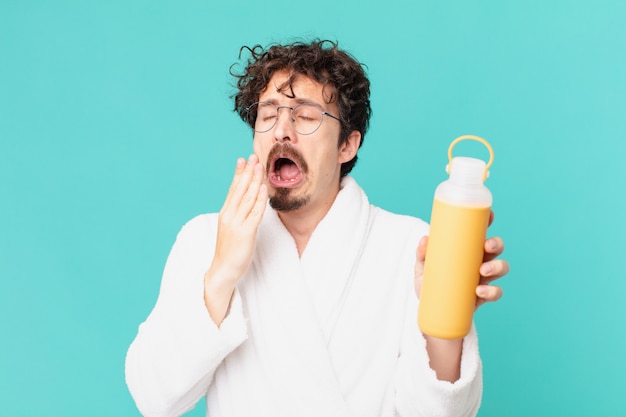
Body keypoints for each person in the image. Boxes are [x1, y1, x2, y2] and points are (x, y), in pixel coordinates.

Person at [125, 39, 509, 417]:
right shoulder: (205, 240)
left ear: (347, 145)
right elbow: (154, 399)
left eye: (306, 116)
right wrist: (221, 274)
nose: (281, 131)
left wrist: (444, 326)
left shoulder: (411, 246)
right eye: (268, 114)